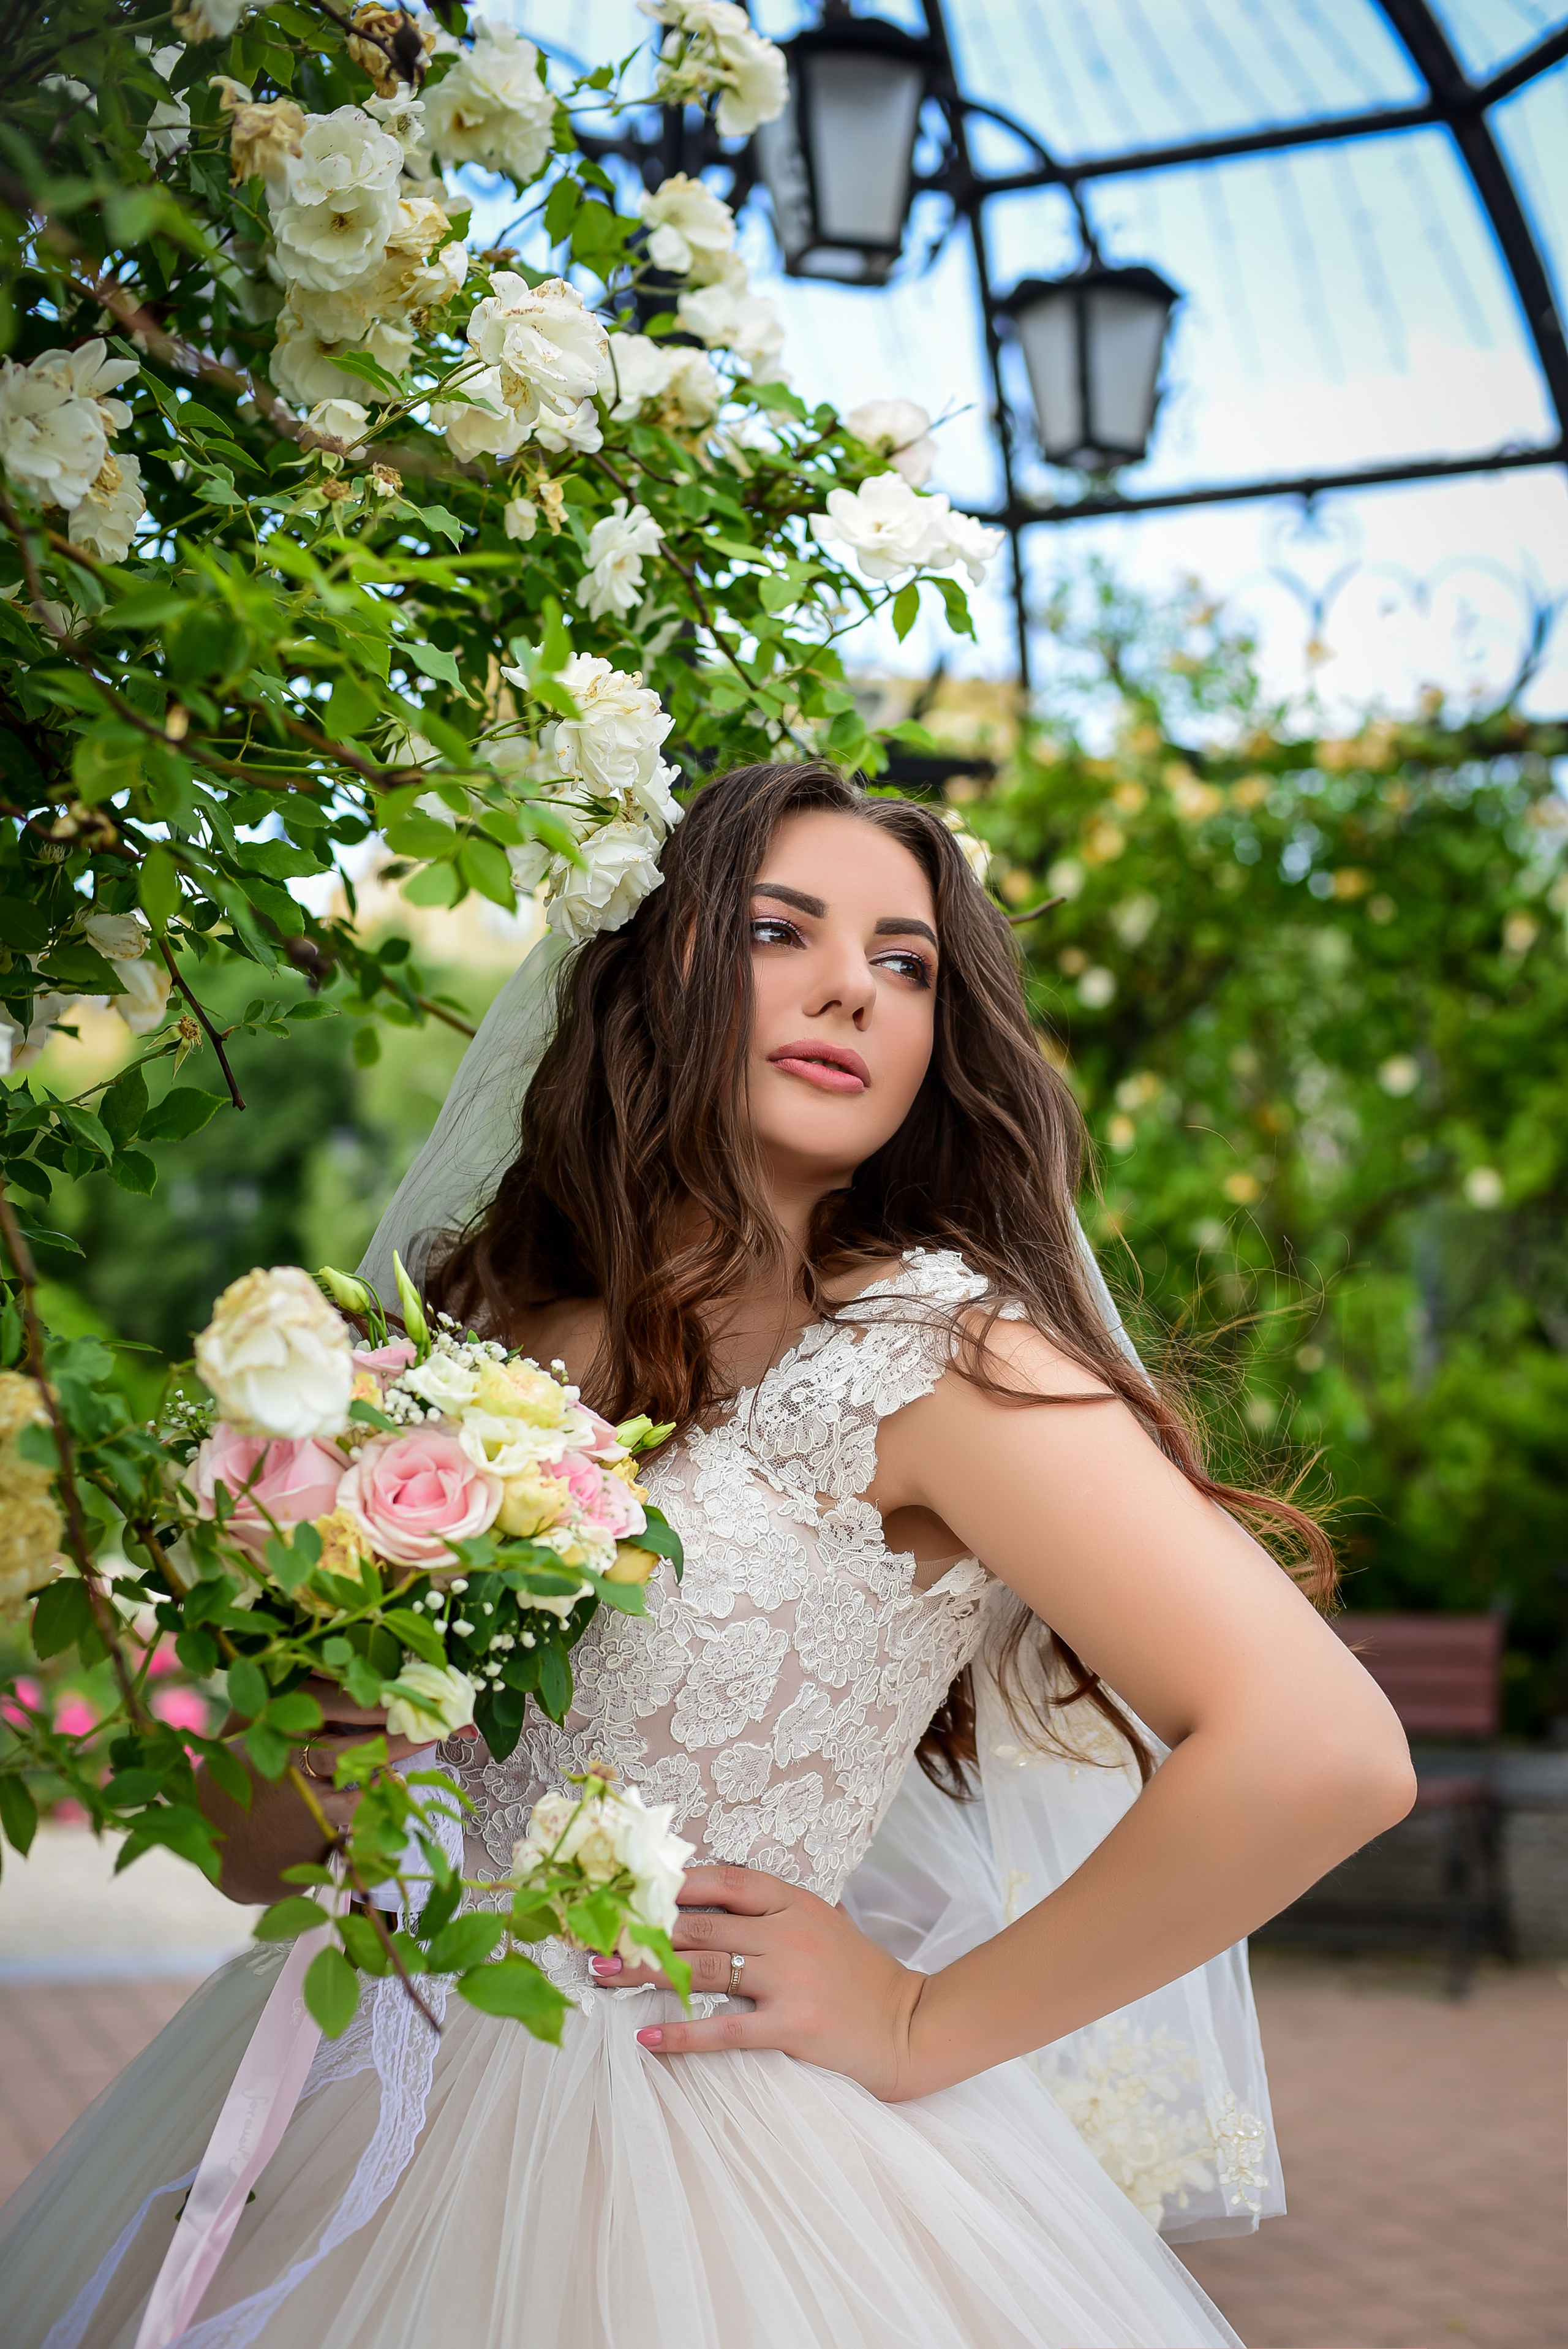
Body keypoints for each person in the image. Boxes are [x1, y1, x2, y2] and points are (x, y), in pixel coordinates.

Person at [0, 763, 1414, 2349]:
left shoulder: (935, 1359)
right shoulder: (458, 1342)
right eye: (778, 930)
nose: (849, 992)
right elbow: (265, 1853)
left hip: (723, 2150)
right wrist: (312, 1750)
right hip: (348, 2084)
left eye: (904, 964)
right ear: (655, 961)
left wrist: (922, 2013)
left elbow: (1324, 1750)